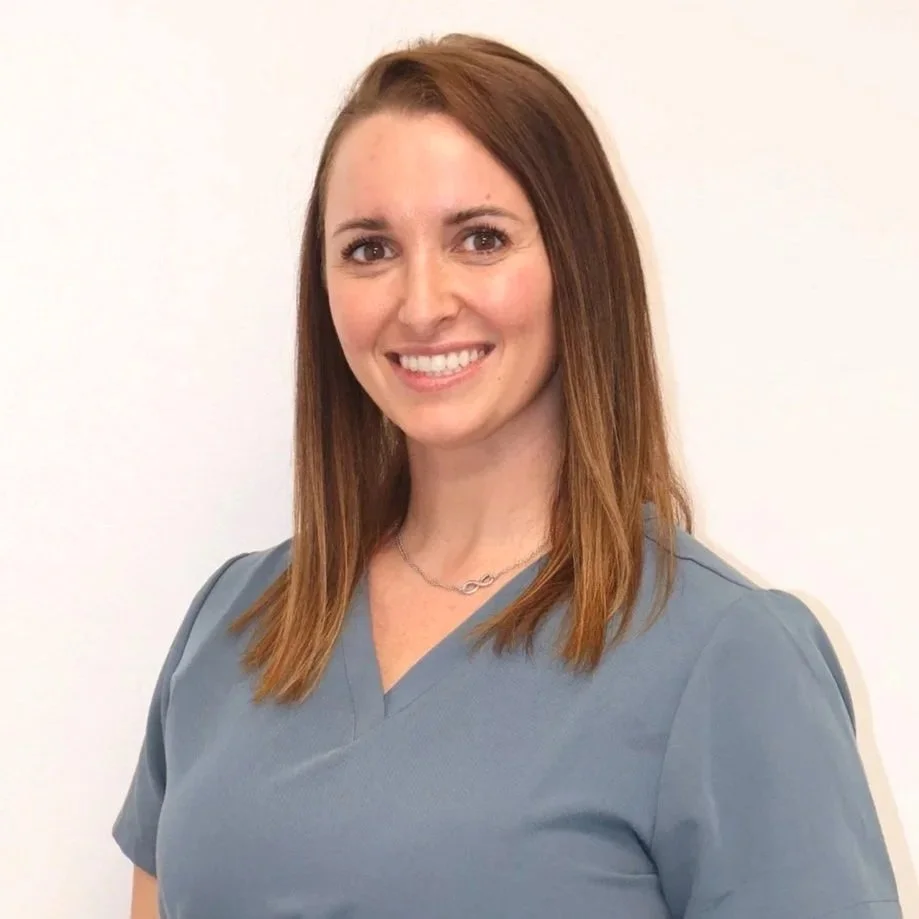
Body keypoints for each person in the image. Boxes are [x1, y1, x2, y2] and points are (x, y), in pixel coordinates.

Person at [113, 33, 902, 919]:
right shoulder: (233, 624)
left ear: (578, 263)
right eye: (369, 249)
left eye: (480, 239)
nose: (421, 304)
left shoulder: (727, 655)